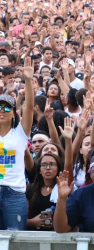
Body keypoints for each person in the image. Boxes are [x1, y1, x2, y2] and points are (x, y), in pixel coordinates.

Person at [0, 57, 34, 230]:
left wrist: (28, 80)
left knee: (15, 240)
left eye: (7, 108)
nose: (2, 111)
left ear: (14, 114)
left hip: (14, 194)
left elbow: (28, 107)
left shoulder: (20, 133)